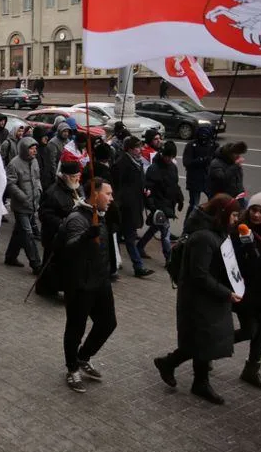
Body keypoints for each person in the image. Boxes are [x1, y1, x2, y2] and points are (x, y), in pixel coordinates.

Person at [153, 194, 241, 405]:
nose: (236, 220)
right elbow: (199, 274)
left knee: (205, 340)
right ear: (222, 214)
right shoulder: (203, 237)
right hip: (199, 298)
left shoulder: (217, 232)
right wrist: (226, 292)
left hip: (209, 296)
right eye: (234, 215)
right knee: (203, 338)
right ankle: (183, 372)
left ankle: (182, 371)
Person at [61, 177, 116, 393]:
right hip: (81, 284)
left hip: (100, 281)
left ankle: (83, 356)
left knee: (108, 323)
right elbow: (70, 247)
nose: (112, 198)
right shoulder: (78, 218)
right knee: (76, 328)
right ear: (94, 195)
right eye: (108, 194)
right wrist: (86, 235)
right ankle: (72, 368)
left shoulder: (100, 215)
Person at [231, 192, 261, 391]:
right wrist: (248, 248)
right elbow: (238, 263)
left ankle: (251, 370)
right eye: (254, 210)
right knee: (250, 330)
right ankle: (208, 348)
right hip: (245, 291)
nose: (257, 215)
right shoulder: (239, 231)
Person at [37, 162, 83, 297]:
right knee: (51, 264)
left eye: (78, 176)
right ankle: (45, 288)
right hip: (55, 235)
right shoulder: (53, 193)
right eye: (74, 176)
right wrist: (63, 223)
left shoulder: (76, 188)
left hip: (70, 234)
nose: (77, 179)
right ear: (66, 177)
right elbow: (44, 214)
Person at [112, 136, 154, 278]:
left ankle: (119, 262)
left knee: (124, 237)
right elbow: (117, 187)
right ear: (129, 149)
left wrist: (144, 189)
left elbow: (141, 181)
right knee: (126, 237)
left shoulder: (137, 162)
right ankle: (136, 266)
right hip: (125, 208)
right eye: (137, 147)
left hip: (135, 205)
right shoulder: (122, 163)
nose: (140, 149)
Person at [137, 141, 184, 267]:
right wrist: (153, 208)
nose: (169, 159)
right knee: (165, 232)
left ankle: (140, 246)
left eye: (172, 157)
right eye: (168, 156)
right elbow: (148, 190)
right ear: (163, 154)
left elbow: (175, 185)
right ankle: (169, 258)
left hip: (168, 204)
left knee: (155, 227)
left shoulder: (172, 167)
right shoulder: (154, 169)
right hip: (159, 205)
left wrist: (180, 199)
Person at [4, 137, 42, 273]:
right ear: (25, 149)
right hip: (21, 205)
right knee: (27, 233)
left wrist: (39, 191)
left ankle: (10, 256)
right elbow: (10, 184)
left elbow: (37, 178)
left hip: (32, 202)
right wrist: (23, 197)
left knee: (19, 232)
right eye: (32, 149)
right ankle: (36, 264)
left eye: (35, 149)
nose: (34, 151)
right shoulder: (14, 164)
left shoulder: (35, 162)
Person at [182, 124, 217, 225]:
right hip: (194, 180)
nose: (203, 137)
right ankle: (187, 228)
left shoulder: (213, 145)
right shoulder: (191, 145)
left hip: (208, 179)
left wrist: (216, 151)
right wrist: (202, 160)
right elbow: (187, 162)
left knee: (214, 203)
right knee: (194, 205)